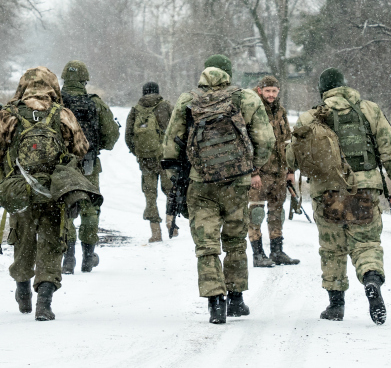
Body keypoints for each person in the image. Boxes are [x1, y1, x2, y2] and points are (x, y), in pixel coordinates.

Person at [161, 54, 274, 324]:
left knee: (207, 244)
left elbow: (169, 145)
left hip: (200, 183)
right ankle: (236, 299)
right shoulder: (246, 98)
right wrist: (249, 166)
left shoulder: (188, 100)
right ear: (229, 74)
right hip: (236, 182)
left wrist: (178, 177)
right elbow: (266, 140)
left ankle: (215, 302)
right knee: (235, 240)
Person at [288, 68, 391, 325]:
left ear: (323, 91)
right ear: (345, 85)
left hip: (326, 192)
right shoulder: (369, 110)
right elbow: (390, 148)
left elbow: (292, 157)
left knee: (332, 248)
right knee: (366, 243)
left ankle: (335, 305)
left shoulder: (311, 116)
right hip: (365, 188)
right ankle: (371, 278)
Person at [0, 66, 100, 321]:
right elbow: (81, 149)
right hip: (53, 191)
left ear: (23, 86)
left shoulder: (9, 114)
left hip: (20, 190)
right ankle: (44, 302)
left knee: (23, 241)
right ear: (52, 86)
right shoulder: (62, 114)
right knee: (51, 242)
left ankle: (23, 289)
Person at [59, 60, 120, 274]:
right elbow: (111, 138)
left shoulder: (54, 103)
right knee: (90, 209)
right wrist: (93, 146)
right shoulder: (95, 103)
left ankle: (68, 258)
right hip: (89, 163)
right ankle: (88, 256)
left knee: (64, 209)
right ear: (85, 80)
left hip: (61, 167)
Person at [248, 75, 299, 267]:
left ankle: (277, 251)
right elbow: (248, 143)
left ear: (278, 92)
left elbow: (288, 141)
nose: (271, 94)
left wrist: (291, 170)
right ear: (260, 90)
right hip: (260, 172)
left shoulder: (280, 111)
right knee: (256, 212)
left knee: (277, 212)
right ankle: (258, 254)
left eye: (274, 91)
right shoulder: (253, 109)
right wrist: (253, 172)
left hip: (279, 171)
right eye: (267, 90)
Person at [125, 82, 174, 242]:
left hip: (146, 159)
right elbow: (176, 129)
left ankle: (155, 232)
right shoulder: (166, 106)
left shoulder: (135, 110)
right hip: (166, 158)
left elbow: (128, 137)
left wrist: (139, 152)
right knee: (170, 191)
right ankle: (170, 223)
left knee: (150, 194)